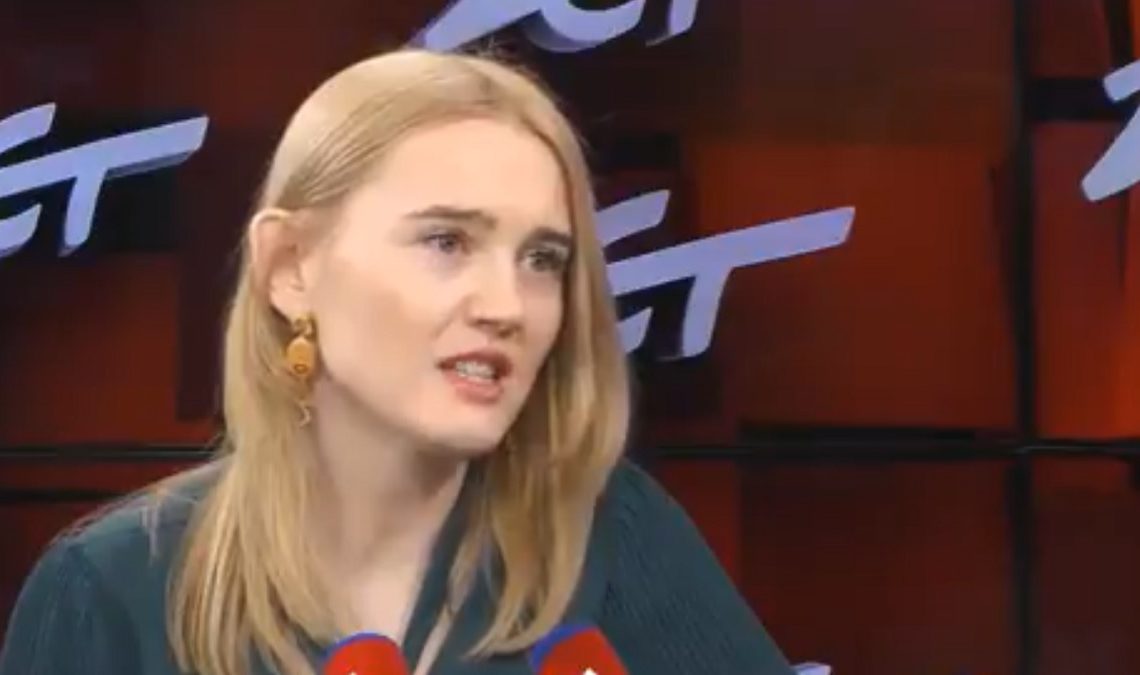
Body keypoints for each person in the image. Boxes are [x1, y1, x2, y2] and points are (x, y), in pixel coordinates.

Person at [0, 49, 795, 675]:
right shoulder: (109, 591)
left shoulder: (613, 535)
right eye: (447, 241)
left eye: (543, 258)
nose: (507, 305)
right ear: (290, 266)